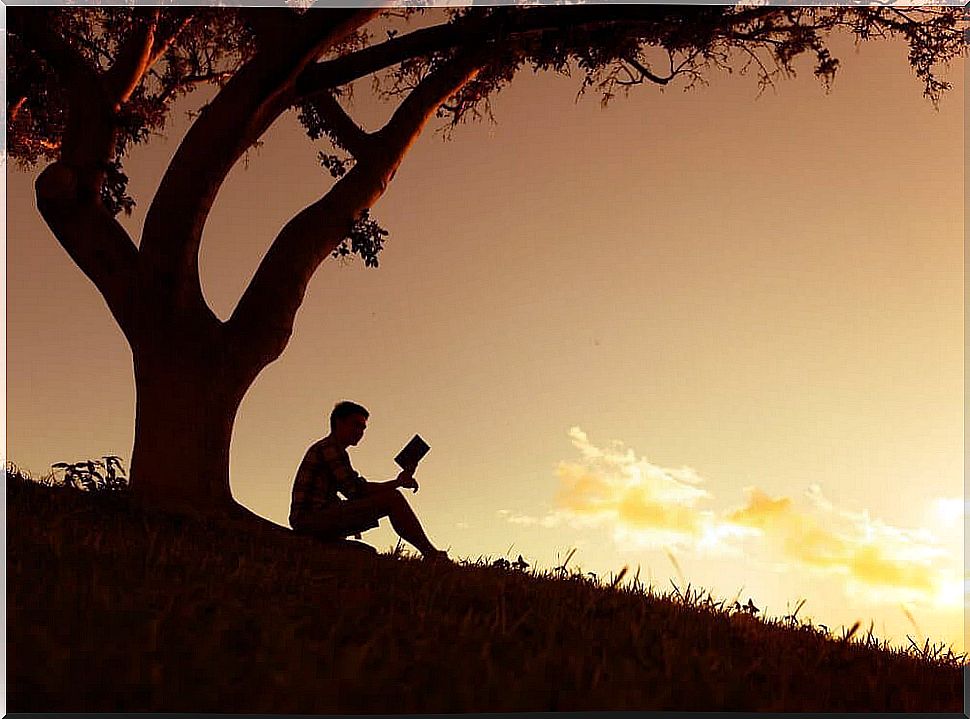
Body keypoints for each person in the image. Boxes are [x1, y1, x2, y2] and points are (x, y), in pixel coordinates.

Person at [289, 400, 448, 562]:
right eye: (356, 425)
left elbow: (353, 490)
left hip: (313, 518)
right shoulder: (329, 448)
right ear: (339, 422)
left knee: (366, 552)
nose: (360, 431)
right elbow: (356, 491)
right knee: (393, 499)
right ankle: (431, 554)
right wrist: (397, 483)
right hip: (310, 520)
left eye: (363, 428)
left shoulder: (331, 449)